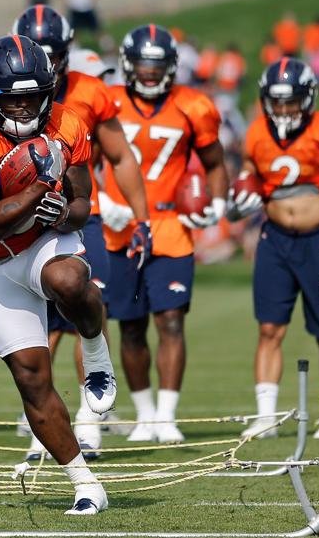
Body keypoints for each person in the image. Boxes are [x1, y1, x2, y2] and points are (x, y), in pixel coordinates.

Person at [0, 34, 148, 515]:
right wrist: (38, 187)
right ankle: (85, 483)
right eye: (11, 98)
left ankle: (96, 352)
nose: (21, 107)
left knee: (69, 282)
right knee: (31, 377)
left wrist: (62, 214)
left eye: (32, 96)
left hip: (44, 242)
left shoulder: (69, 123)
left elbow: (83, 204)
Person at [11, 5, 151, 460]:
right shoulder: (5, 96)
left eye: (54, 54)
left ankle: (90, 418)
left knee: (85, 309)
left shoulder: (90, 93)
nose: (47, 64)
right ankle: (45, 421)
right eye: (39, 54)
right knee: (38, 322)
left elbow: (121, 156)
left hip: (78, 215)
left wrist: (139, 214)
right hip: (26, 221)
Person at [99, 24, 229, 444]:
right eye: (143, 65)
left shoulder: (194, 105)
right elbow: (82, 161)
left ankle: (167, 415)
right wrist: (105, 204)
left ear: (172, 67)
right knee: (131, 327)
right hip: (119, 227)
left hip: (170, 224)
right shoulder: (109, 102)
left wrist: (218, 204)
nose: (150, 74)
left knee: (171, 320)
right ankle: (146, 414)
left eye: (158, 66)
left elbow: (214, 161)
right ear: (128, 65)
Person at [227, 58, 319, 440]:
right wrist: (237, 205)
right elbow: (247, 181)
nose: (284, 109)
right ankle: (266, 415)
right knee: (269, 329)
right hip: (275, 240)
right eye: (277, 101)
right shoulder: (257, 133)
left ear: (308, 98)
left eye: (291, 101)